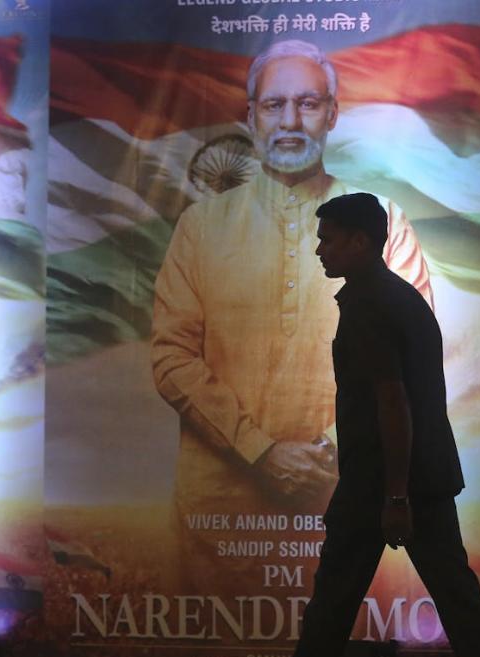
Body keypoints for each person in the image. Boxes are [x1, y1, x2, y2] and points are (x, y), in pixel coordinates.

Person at [214, 193, 480, 657]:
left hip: (387, 482)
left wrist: (396, 495)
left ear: (360, 241)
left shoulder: (370, 306)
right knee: (455, 606)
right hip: (412, 478)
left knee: (335, 602)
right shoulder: (394, 297)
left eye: (329, 238)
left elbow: (393, 403)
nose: (320, 248)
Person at [150, 40, 431, 522]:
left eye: (308, 104)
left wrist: (330, 453)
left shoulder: (384, 221)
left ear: (333, 114)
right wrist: (259, 450)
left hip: (347, 499)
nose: (290, 122)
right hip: (220, 516)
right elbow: (171, 357)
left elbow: (414, 353)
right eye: (275, 105)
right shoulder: (201, 227)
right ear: (252, 116)